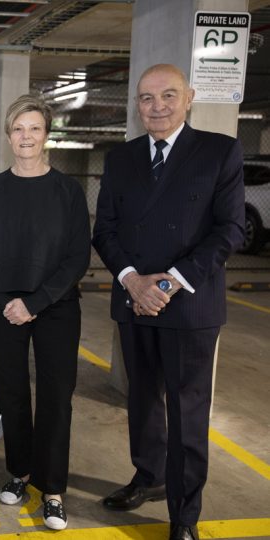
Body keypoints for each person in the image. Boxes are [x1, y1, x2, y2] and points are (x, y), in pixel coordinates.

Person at [92, 64, 244, 540]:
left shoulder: (219, 151)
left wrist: (169, 283)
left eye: (167, 96)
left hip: (189, 303)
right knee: (142, 401)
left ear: (190, 97)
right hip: (136, 300)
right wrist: (133, 280)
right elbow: (106, 231)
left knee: (187, 413)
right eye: (146, 98)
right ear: (136, 105)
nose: (156, 107)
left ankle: (184, 515)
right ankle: (148, 475)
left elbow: (230, 230)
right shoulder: (121, 158)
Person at [0, 94, 91, 531]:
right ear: (8, 135)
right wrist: (7, 303)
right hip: (3, 308)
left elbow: (77, 257)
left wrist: (35, 303)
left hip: (56, 307)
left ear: (46, 135)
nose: (26, 136)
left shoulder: (67, 192)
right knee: (14, 394)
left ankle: (53, 490)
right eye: (18, 128)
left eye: (34, 128)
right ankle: (18, 474)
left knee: (57, 398)